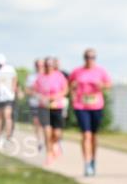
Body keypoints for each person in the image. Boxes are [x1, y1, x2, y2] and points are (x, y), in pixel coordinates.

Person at [69, 48, 112, 176]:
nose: (90, 59)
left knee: (93, 136)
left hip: (96, 106)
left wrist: (102, 86)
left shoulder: (100, 71)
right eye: (87, 57)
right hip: (81, 105)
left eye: (92, 57)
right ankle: (87, 163)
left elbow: (109, 85)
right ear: (84, 58)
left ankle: (93, 160)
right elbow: (69, 84)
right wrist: (73, 91)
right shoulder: (77, 71)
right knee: (85, 135)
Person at [34, 55, 68, 166]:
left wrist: (55, 97)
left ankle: (55, 144)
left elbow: (65, 90)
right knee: (47, 132)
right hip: (43, 107)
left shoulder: (59, 76)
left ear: (54, 66)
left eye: (50, 65)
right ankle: (49, 154)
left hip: (57, 107)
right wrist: (40, 96)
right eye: (46, 65)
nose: (48, 67)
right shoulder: (40, 77)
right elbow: (34, 90)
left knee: (56, 133)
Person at [0, 54, 17, 147]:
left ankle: (8, 138)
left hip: (8, 97)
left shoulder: (10, 69)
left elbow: (14, 79)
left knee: (7, 116)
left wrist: (13, 89)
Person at [25, 59, 47, 151]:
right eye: (38, 65)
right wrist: (36, 94)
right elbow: (27, 90)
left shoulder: (47, 75)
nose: (40, 67)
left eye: (41, 65)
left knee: (46, 124)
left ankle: (48, 141)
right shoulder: (31, 77)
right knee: (37, 122)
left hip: (46, 104)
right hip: (34, 103)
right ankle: (40, 141)